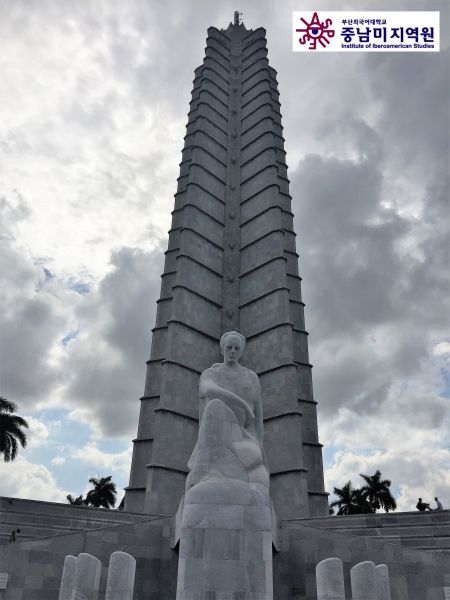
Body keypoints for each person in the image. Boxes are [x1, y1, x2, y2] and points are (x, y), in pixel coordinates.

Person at [185, 330, 269, 492]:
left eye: (237, 348)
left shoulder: (251, 377)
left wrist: (259, 445)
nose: (232, 351)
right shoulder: (211, 374)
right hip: (216, 435)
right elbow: (208, 390)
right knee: (215, 406)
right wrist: (242, 404)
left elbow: (258, 417)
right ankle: (201, 470)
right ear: (222, 349)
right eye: (229, 347)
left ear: (242, 351)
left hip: (243, 435)